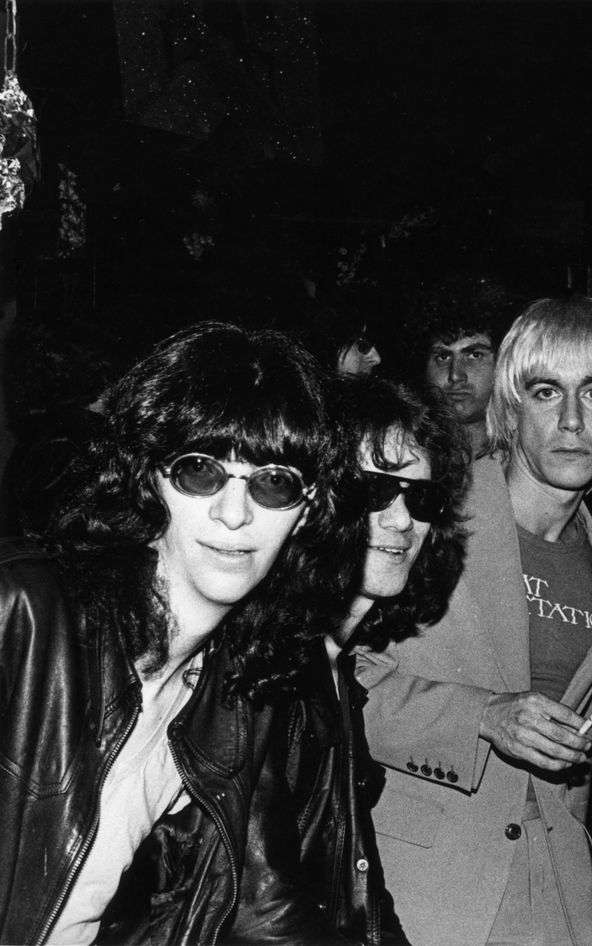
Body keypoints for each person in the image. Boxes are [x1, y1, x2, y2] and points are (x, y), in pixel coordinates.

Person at [0, 321, 361, 944]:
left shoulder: (235, 694)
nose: (234, 512)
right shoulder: (23, 615)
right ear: (145, 477)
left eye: (274, 482)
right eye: (200, 471)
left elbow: (258, 909)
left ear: (307, 513)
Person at [356, 296, 592, 946]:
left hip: (552, 891)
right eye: (547, 392)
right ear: (510, 407)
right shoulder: (435, 511)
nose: (572, 420)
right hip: (426, 884)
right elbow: (338, 681)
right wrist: (482, 717)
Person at [234, 376, 472, 944]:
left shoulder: (336, 667)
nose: (401, 521)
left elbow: (358, 879)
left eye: (421, 498)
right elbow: (260, 911)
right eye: (374, 493)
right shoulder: (268, 667)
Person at [405, 274, 521, 456]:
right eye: (443, 357)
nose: (456, 375)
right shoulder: (406, 455)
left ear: (503, 361)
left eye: (474, 355)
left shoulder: (529, 459)